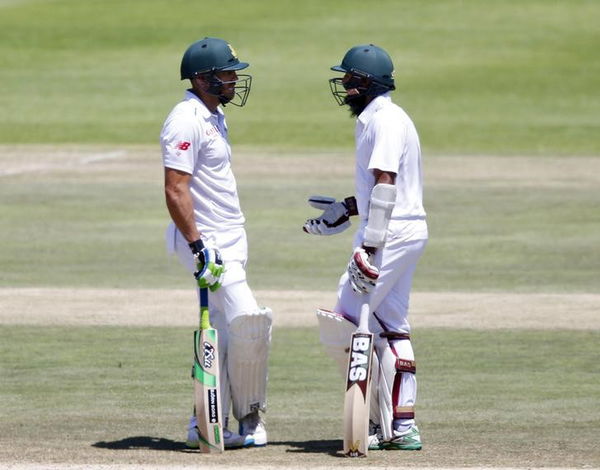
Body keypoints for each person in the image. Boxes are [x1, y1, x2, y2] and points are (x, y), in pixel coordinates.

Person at [304, 44, 428, 451]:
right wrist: (346, 208)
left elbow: (387, 183)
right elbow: (379, 189)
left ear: (368, 83)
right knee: (391, 324)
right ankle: (400, 427)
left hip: (390, 235)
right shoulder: (378, 118)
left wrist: (370, 248)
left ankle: (375, 420)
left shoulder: (385, 121)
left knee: (343, 318)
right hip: (402, 230)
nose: (344, 86)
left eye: (351, 80)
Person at [160, 37, 271, 449]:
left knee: (227, 332)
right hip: (209, 245)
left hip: (229, 240)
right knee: (250, 322)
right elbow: (175, 189)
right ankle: (250, 417)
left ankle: (203, 423)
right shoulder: (185, 119)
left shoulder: (213, 114)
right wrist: (197, 246)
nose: (233, 80)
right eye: (226, 74)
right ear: (204, 78)